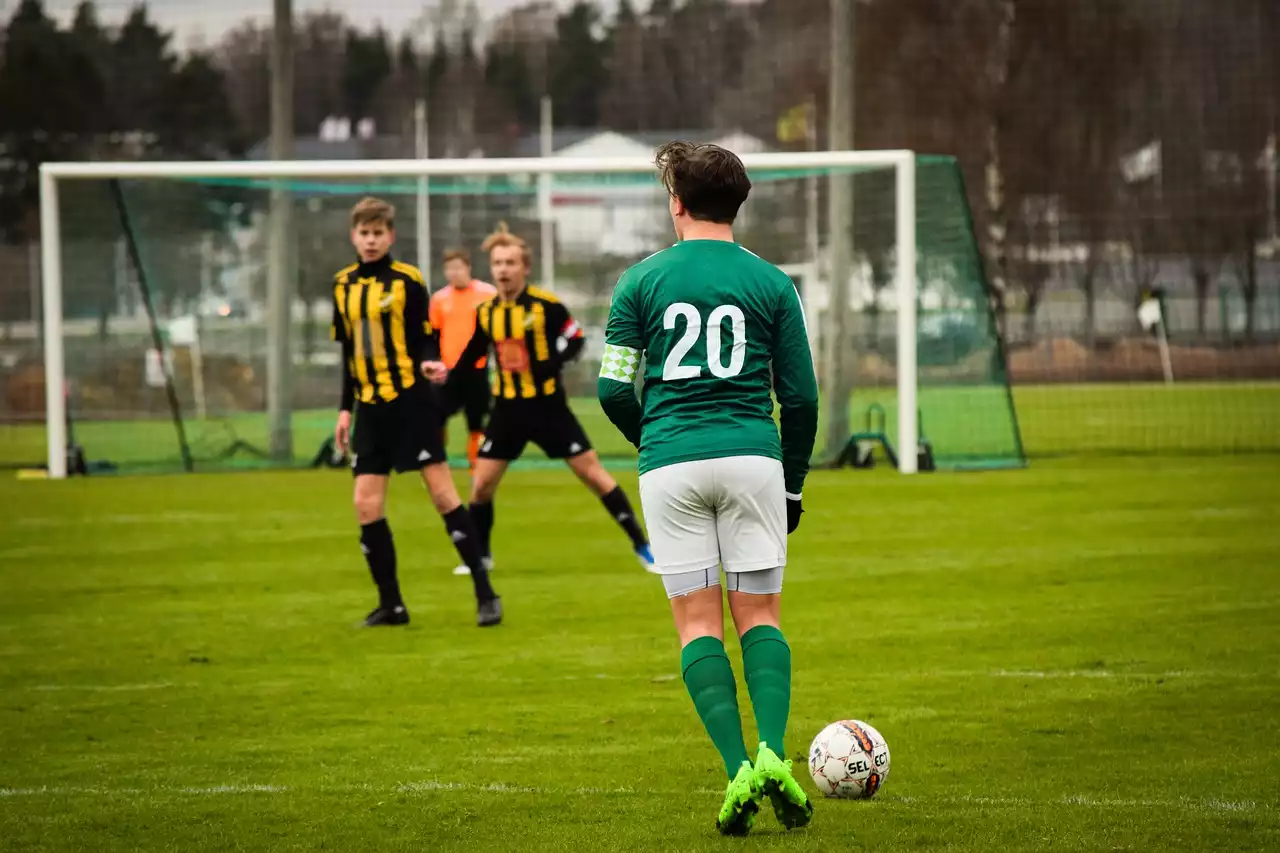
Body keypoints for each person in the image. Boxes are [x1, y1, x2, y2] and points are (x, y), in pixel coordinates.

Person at [596, 142, 819, 835]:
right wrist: (793, 484)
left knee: (698, 623)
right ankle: (775, 754)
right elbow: (802, 399)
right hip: (754, 459)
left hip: (669, 464)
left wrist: (658, 439)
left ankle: (736, 771)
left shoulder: (638, 281)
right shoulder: (774, 284)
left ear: (677, 203)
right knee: (761, 614)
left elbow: (610, 388)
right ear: (739, 203)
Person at [331, 197, 502, 628]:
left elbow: (425, 337)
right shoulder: (342, 285)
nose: (370, 241)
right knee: (365, 505)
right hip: (368, 408)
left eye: (378, 234)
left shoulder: (407, 281)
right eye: (364, 234)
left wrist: (429, 361)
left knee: (443, 496)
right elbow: (349, 353)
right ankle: (392, 605)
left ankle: (485, 593)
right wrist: (344, 410)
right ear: (354, 236)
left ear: (390, 236)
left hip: (410, 404)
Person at [446, 223, 654, 576]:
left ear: (525, 268)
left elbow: (575, 339)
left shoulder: (547, 306)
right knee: (480, 485)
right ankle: (480, 556)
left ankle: (643, 547)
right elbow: (472, 356)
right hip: (507, 411)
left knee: (595, 476)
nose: (503, 269)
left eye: (511, 262)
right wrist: (444, 375)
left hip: (549, 410)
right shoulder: (487, 312)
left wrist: (552, 362)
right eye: (498, 263)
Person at [429, 249, 497, 472]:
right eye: (449, 268)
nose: (454, 273)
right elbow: (434, 335)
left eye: (458, 267)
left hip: (476, 369)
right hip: (447, 370)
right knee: (435, 414)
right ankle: (435, 458)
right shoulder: (439, 299)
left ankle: (476, 464)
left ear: (468, 268)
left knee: (476, 420)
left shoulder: (486, 294)